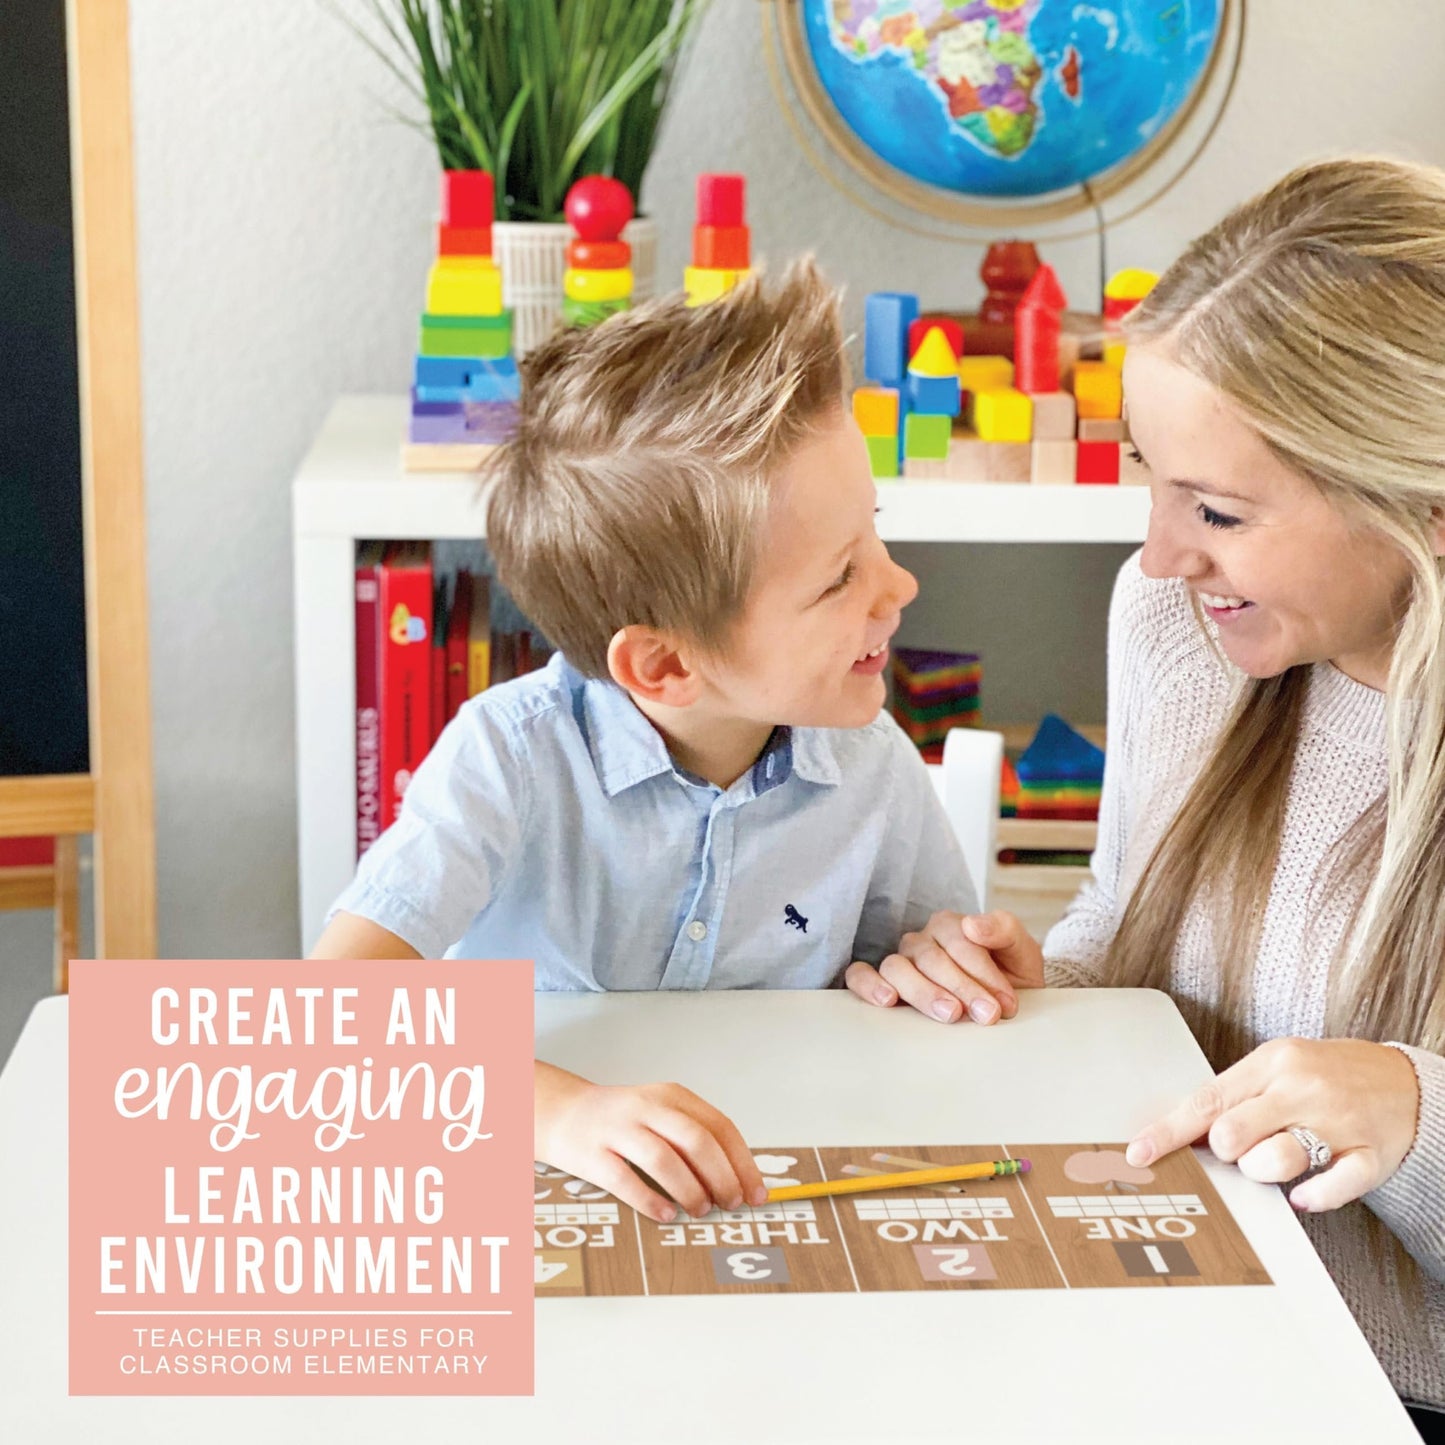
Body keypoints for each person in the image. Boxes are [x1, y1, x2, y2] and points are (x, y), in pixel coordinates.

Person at [847, 157, 1445, 1434]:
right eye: (1149, 477)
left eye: (1217, 509)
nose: (1161, 553)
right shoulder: (1177, 623)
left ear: (1426, 510)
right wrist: (1037, 983)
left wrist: (1416, 1111)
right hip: (1161, 1327)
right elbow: (1128, 922)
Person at [310, 261, 1012, 1226]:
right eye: (840, 575)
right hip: (526, 1191)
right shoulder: (508, 757)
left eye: (875, 536)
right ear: (665, 667)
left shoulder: (872, 764)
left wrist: (959, 971)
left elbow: (928, 999)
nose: (899, 588)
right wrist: (558, 1116)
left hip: (770, 1193)